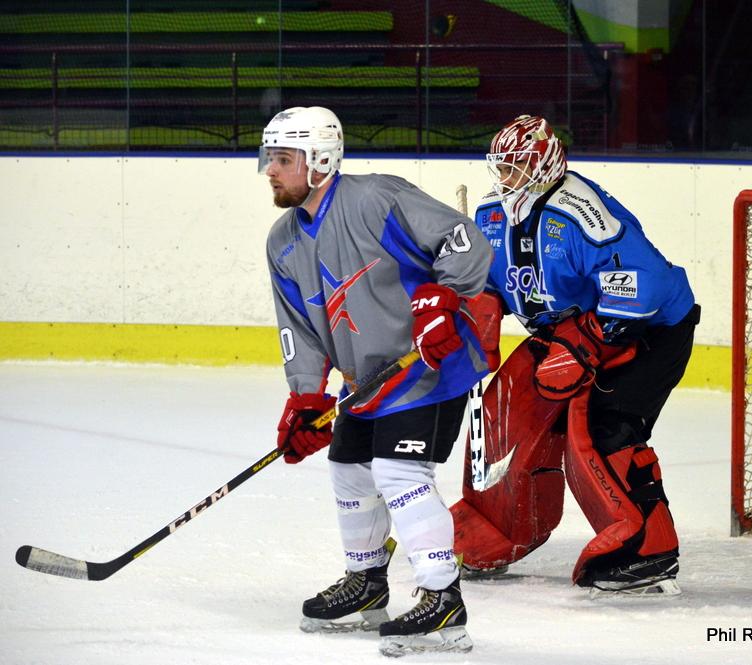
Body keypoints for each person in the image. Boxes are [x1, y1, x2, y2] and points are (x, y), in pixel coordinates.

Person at [260, 106, 492, 655]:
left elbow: (463, 241)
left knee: (397, 469)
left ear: (320, 161)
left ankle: (442, 600)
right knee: (348, 468)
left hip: (428, 367)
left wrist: (447, 295)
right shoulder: (282, 242)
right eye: (269, 158)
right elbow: (299, 326)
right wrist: (306, 397)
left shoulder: (376, 198)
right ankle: (366, 585)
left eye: (284, 158)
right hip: (366, 383)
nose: (271, 169)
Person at [450, 115, 700, 595]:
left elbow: (641, 282)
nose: (506, 178)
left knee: (608, 428)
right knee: (504, 413)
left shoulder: (581, 210)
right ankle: (497, 526)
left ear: (544, 164)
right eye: (501, 168)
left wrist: (584, 340)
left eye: (516, 167)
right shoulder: (491, 215)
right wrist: (480, 307)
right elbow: (488, 278)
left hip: (648, 332)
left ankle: (648, 550)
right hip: (564, 331)